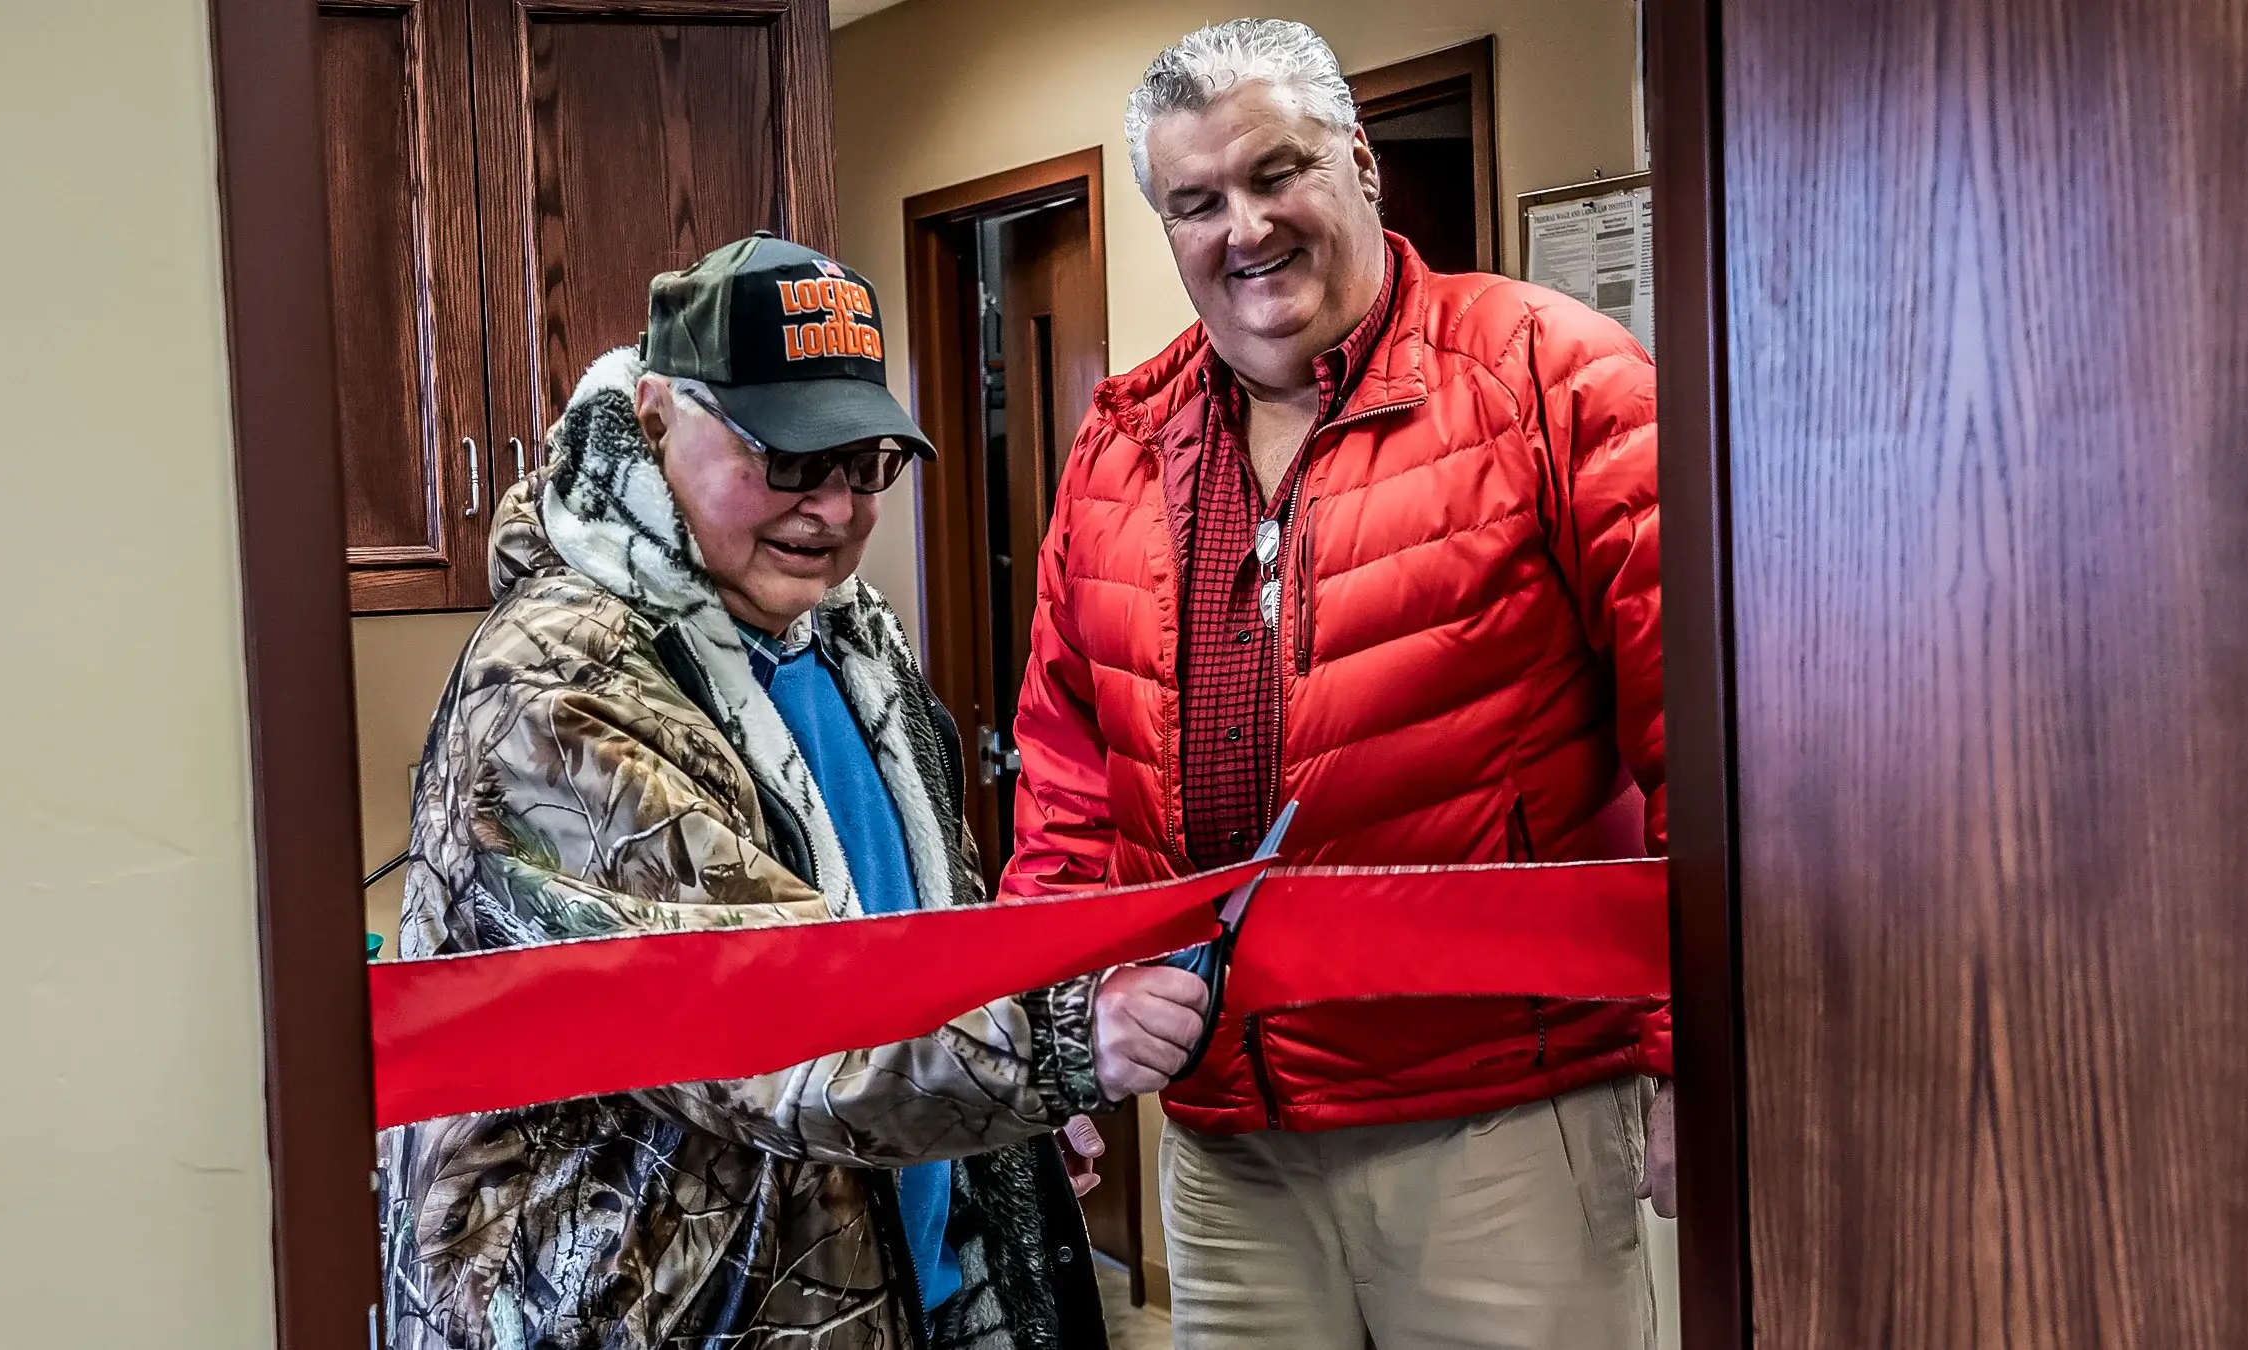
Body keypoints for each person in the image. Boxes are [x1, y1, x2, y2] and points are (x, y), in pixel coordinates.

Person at [378, 233, 1207, 1349]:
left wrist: (996, 1122)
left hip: (894, 1286)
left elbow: (922, 944)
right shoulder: (559, 677)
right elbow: (758, 1025)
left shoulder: (848, 640)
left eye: (868, 466)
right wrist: (1059, 1044)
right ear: (661, 413)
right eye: (789, 460)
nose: (833, 510)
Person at [999, 19, 1673, 1349]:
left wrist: (1689, 1047)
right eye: (1196, 202)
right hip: (1230, 1146)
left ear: (1359, 164)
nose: (1244, 227)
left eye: (1277, 172)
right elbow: (1069, 784)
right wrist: (1052, 1038)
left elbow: (1707, 750)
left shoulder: (1552, 375)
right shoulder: (1120, 448)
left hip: (1496, 1119)